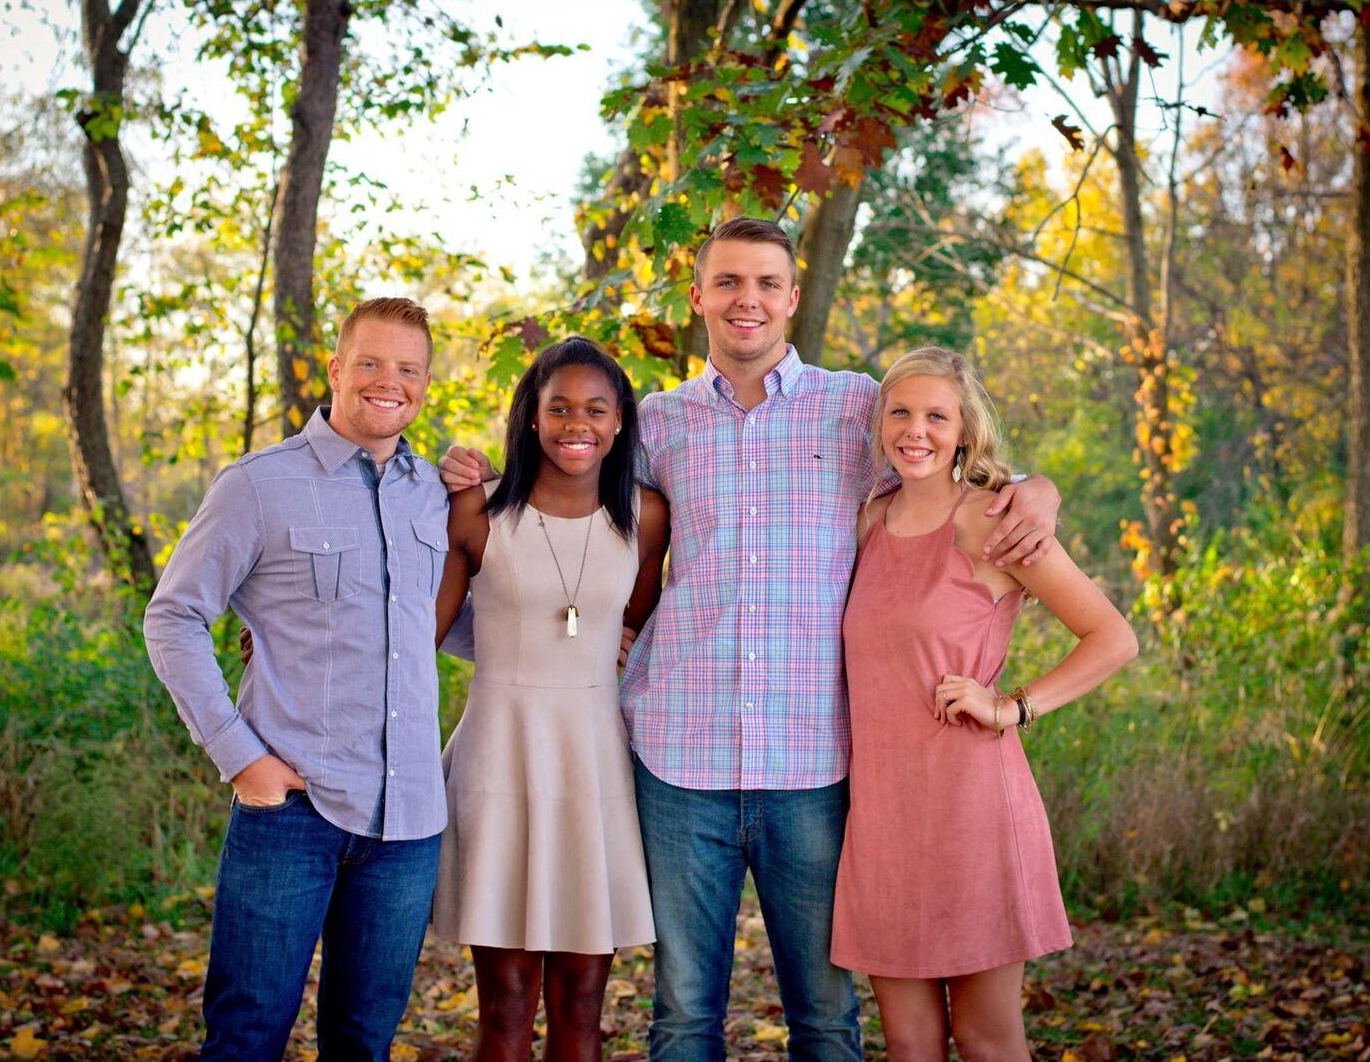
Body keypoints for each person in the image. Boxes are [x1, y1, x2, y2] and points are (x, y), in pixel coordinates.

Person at [442, 217, 1063, 1060]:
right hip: (677, 761)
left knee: (824, 1017)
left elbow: (944, 460)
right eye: (728, 282)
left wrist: (1036, 487)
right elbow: (563, 503)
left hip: (814, 762)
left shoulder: (854, 408)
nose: (748, 300)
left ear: (793, 298)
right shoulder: (656, 423)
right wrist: (462, 479)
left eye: (768, 283)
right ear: (698, 297)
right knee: (684, 1016)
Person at [143, 297, 448, 1062]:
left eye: (408, 369)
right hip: (292, 812)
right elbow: (174, 617)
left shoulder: (437, 494)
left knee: (362, 1044)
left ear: (425, 384)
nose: (390, 381)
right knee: (247, 1037)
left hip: (407, 823)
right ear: (336, 370)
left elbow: (451, 623)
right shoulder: (257, 485)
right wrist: (240, 756)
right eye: (371, 363)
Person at [832, 346, 1138, 1060]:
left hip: (972, 811)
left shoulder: (992, 523)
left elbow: (1112, 638)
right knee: (908, 1045)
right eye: (900, 413)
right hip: (880, 819)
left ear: (964, 430)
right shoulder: (866, 525)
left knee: (986, 1039)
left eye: (937, 416)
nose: (916, 430)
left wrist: (1014, 706)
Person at [431, 337, 669, 1061]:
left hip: (594, 766)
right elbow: (414, 634)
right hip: (497, 762)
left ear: (621, 420)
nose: (578, 423)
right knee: (502, 1008)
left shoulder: (647, 514)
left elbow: (636, 617)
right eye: (558, 407)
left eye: (596, 409)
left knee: (582, 1008)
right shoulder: (476, 512)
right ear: (530, 417)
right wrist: (290, 639)